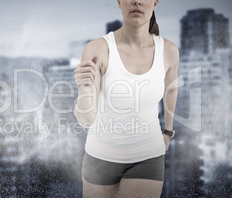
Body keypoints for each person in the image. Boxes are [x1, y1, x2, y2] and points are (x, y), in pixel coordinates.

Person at [73, 0, 179, 197]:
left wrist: (168, 131)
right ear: (119, 2)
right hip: (100, 158)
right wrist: (82, 88)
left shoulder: (169, 51)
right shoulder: (97, 49)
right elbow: (86, 119)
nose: (137, 1)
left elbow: (171, 90)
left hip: (147, 157)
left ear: (155, 2)